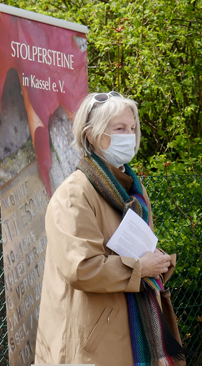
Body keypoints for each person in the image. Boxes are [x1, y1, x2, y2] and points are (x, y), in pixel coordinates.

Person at [34, 92, 187, 365]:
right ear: (91, 135)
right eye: (119, 128)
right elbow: (81, 268)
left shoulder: (133, 190)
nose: (129, 135)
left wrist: (156, 260)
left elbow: (139, 249)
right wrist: (140, 268)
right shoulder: (74, 193)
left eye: (132, 128)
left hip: (127, 332)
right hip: (90, 346)